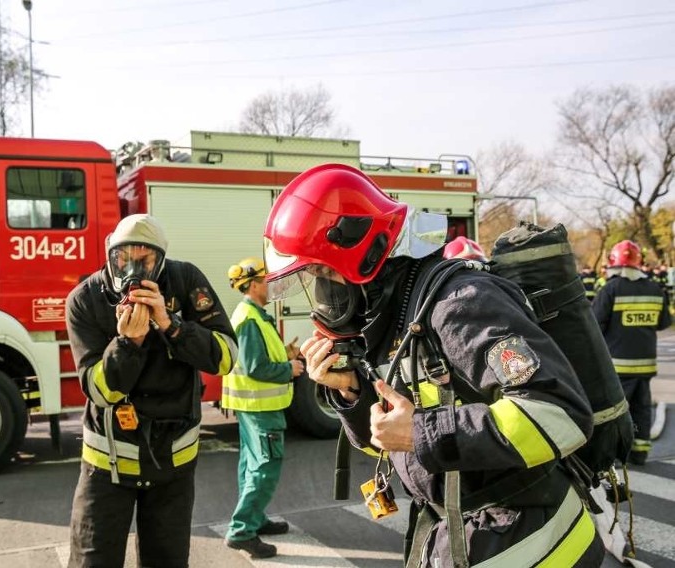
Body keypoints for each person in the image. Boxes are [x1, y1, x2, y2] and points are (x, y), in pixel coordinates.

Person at [262, 163, 604, 567]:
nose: (321, 290)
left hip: (531, 545)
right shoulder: (400, 318)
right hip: (465, 532)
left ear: (363, 254)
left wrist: (422, 433)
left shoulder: (459, 304)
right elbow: (391, 444)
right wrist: (351, 392)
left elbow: (560, 416)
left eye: (322, 272)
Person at [65, 214, 237, 568]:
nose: (133, 269)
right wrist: (127, 343)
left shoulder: (184, 279)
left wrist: (171, 325)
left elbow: (225, 358)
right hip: (107, 467)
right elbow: (100, 391)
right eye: (124, 258)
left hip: (172, 464)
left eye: (145, 261)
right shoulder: (84, 299)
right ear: (110, 254)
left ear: (160, 261)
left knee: (168, 561)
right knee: (92, 562)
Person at [221, 257, 305, 559]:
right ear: (255, 285)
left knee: (250, 464)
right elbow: (257, 367)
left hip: (253, 405)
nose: (271, 285)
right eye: (267, 281)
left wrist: (285, 355)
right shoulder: (249, 319)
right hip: (260, 406)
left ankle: (254, 520)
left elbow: (257, 359)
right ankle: (242, 530)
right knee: (264, 468)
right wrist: (289, 369)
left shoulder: (252, 314)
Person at [592, 240, 671, 466]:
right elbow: (663, 322)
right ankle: (640, 453)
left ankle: (613, 456)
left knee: (614, 413)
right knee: (642, 409)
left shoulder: (610, 289)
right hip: (645, 365)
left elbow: (595, 324)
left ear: (614, 264)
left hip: (616, 366)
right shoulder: (655, 288)